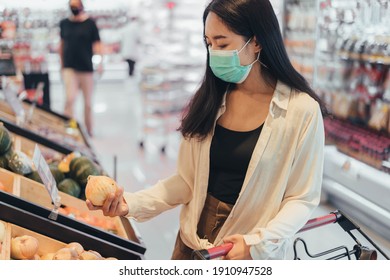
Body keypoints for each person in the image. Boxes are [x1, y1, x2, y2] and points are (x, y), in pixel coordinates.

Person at [87, 0, 327, 260]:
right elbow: (187, 181)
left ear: (256, 41)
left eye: (222, 44)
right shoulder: (211, 100)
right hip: (191, 245)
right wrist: (131, 203)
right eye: (209, 44)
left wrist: (259, 243)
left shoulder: (301, 111)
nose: (214, 53)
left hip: (244, 253)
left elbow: (301, 198)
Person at [59, 0, 103, 137]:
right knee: (70, 99)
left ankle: (89, 130)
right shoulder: (64, 24)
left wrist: (100, 62)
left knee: (88, 103)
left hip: (86, 69)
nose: (74, 8)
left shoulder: (90, 24)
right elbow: (62, 44)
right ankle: (70, 129)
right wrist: (61, 64)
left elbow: (97, 45)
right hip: (69, 67)